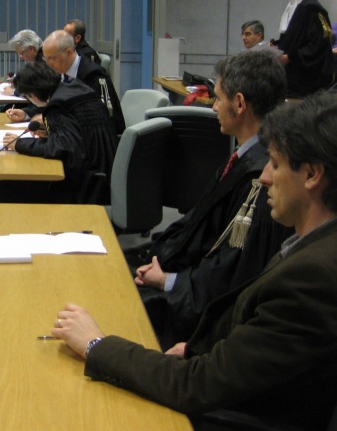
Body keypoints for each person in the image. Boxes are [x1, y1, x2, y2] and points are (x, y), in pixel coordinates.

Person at [51, 91, 337, 430]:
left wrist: (96, 345)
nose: (264, 177)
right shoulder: (312, 245)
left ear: (312, 174)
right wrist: (199, 349)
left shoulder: (311, 277)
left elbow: (196, 386)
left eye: (275, 164)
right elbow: (261, 345)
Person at [132, 50, 292, 349]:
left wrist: (168, 280)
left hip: (202, 309)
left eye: (218, 98)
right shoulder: (244, 156)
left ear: (240, 103)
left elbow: (234, 271)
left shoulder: (260, 181)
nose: (214, 106)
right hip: (183, 273)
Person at [0, 61, 116, 204]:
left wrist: (19, 144)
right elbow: (79, 131)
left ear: (33, 95)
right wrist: (52, 131)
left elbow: (62, 148)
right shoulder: (75, 87)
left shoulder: (57, 106)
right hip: (105, 169)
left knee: (6, 180)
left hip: (85, 185)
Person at [7, 30, 125, 135]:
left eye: (51, 58)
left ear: (68, 53)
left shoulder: (94, 76)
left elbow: (101, 122)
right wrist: (27, 113)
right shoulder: (61, 72)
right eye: (46, 59)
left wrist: (51, 122)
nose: (48, 64)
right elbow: (52, 104)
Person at [271, 0, 334, 97]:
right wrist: (277, 45)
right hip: (291, 76)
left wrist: (290, 57)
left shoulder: (312, 9)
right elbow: (293, 37)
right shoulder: (294, 6)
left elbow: (319, 45)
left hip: (306, 80)